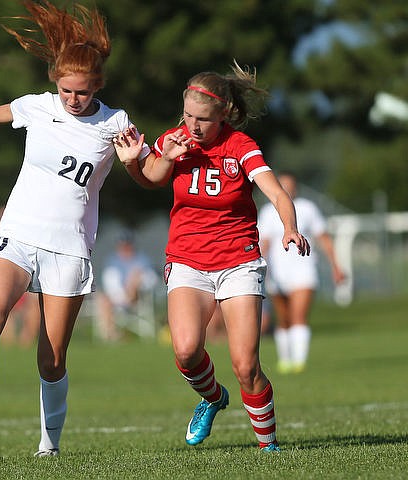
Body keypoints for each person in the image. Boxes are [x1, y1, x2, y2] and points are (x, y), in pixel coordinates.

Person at [0, 0, 151, 458]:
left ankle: (48, 446)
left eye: (83, 92)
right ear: (56, 82)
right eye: (67, 90)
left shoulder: (115, 123)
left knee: (51, 360)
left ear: (98, 86)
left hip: (69, 250)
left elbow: (151, 176)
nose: (74, 99)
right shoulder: (38, 107)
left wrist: (135, 164)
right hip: (17, 233)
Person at [114, 63, 310, 452]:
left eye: (202, 119)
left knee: (245, 365)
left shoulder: (241, 147)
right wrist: (140, 160)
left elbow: (276, 193)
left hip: (239, 261)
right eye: (187, 115)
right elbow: (151, 179)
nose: (193, 125)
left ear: (223, 115)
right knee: (186, 351)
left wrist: (289, 226)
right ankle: (212, 397)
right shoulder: (175, 138)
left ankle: (268, 447)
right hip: (187, 260)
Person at [258, 172, 346, 374]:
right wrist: (261, 269)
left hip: (303, 272)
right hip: (277, 273)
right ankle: (286, 360)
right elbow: (265, 244)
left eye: (291, 185)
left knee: (299, 316)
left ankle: (299, 362)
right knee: (284, 319)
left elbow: (323, 238)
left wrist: (336, 266)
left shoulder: (307, 208)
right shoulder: (267, 212)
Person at [0, 206, 39, 347]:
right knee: (5, 310)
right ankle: (9, 343)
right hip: (6, 278)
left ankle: (26, 341)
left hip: (26, 276)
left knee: (33, 308)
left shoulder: (24, 231)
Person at [95, 229, 158, 341]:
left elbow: (151, 278)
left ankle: (126, 300)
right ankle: (111, 335)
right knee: (102, 299)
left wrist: (136, 280)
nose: (125, 248)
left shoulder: (142, 259)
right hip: (118, 295)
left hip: (138, 296)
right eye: (122, 246)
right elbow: (109, 280)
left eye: (127, 245)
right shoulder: (112, 260)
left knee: (136, 275)